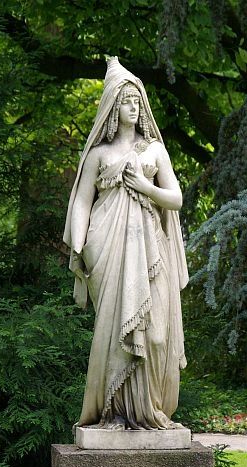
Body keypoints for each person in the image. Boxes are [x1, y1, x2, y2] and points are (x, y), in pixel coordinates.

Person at [63, 57, 188, 430]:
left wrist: (145, 187)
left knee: (156, 333)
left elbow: (176, 198)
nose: (133, 107)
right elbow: (82, 202)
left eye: (137, 101)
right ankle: (116, 414)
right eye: (126, 101)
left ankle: (150, 411)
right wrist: (81, 246)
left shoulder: (154, 151)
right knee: (115, 335)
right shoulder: (99, 156)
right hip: (108, 250)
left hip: (152, 250)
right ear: (113, 109)